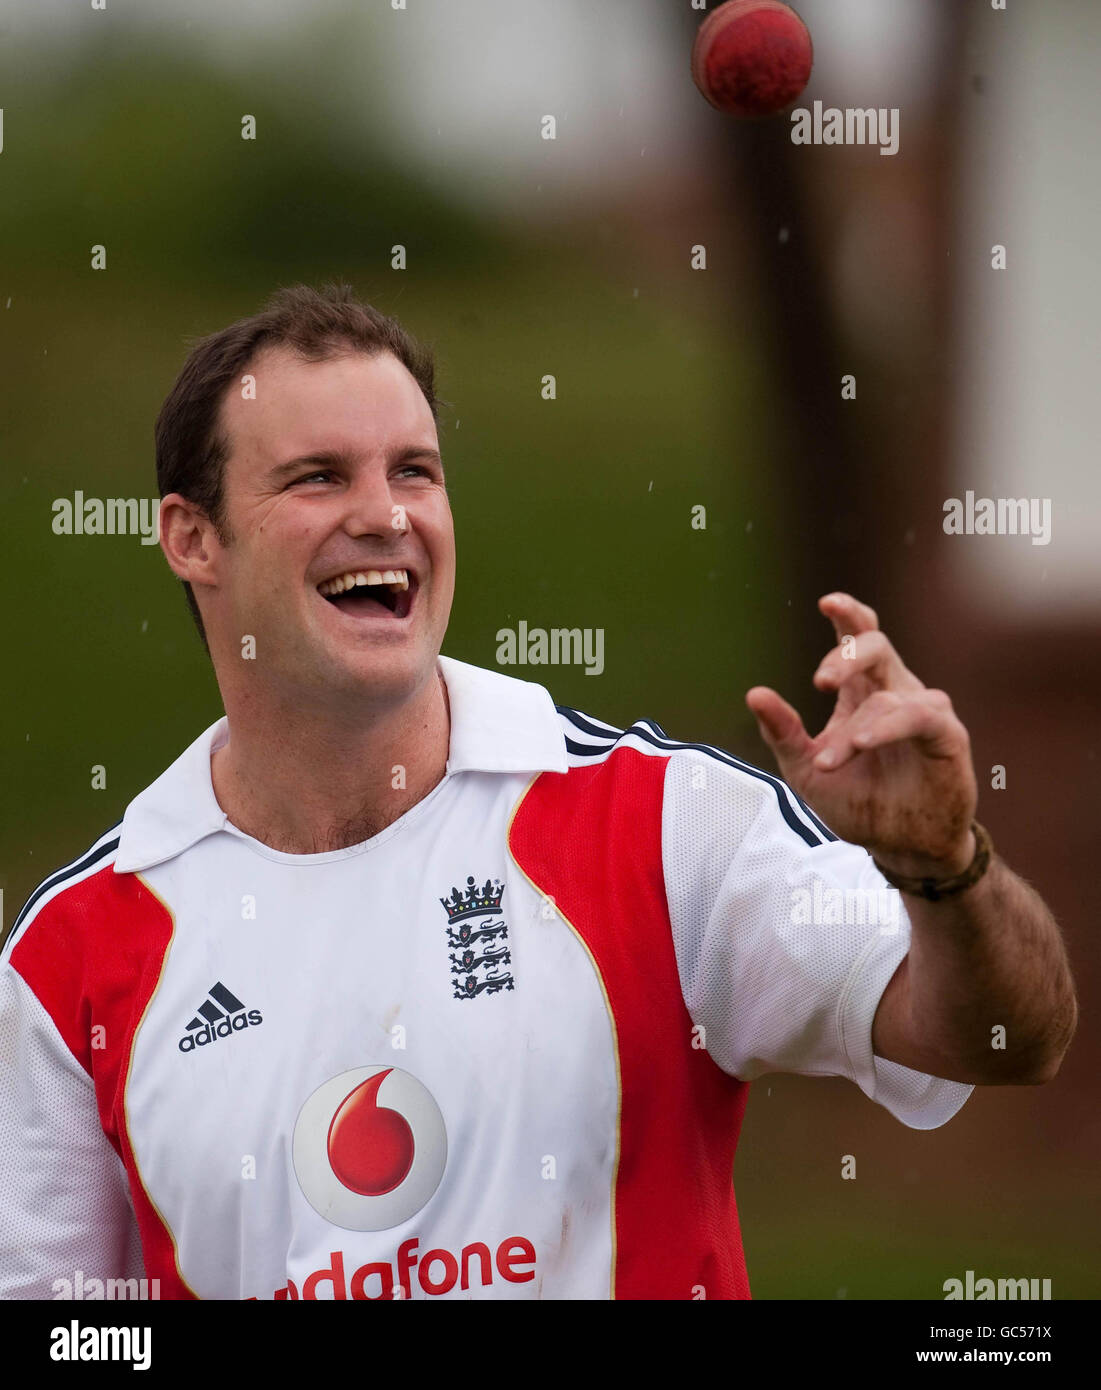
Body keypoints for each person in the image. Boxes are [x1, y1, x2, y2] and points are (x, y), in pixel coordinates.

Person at [0, 284, 1076, 1301]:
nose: (386, 515)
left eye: (415, 471)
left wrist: (947, 869)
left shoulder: (664, 824)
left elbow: (1005, 1040)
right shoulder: (71, 959)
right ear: (192, 538)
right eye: (319, 476)